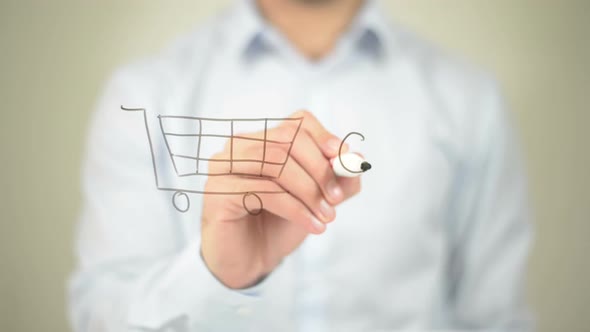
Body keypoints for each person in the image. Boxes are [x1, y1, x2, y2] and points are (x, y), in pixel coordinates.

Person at [69, 0, 533, 331]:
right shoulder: (144, 96)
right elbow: (101, 317)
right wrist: (216, 275)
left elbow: (493, 318)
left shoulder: (470, 101)